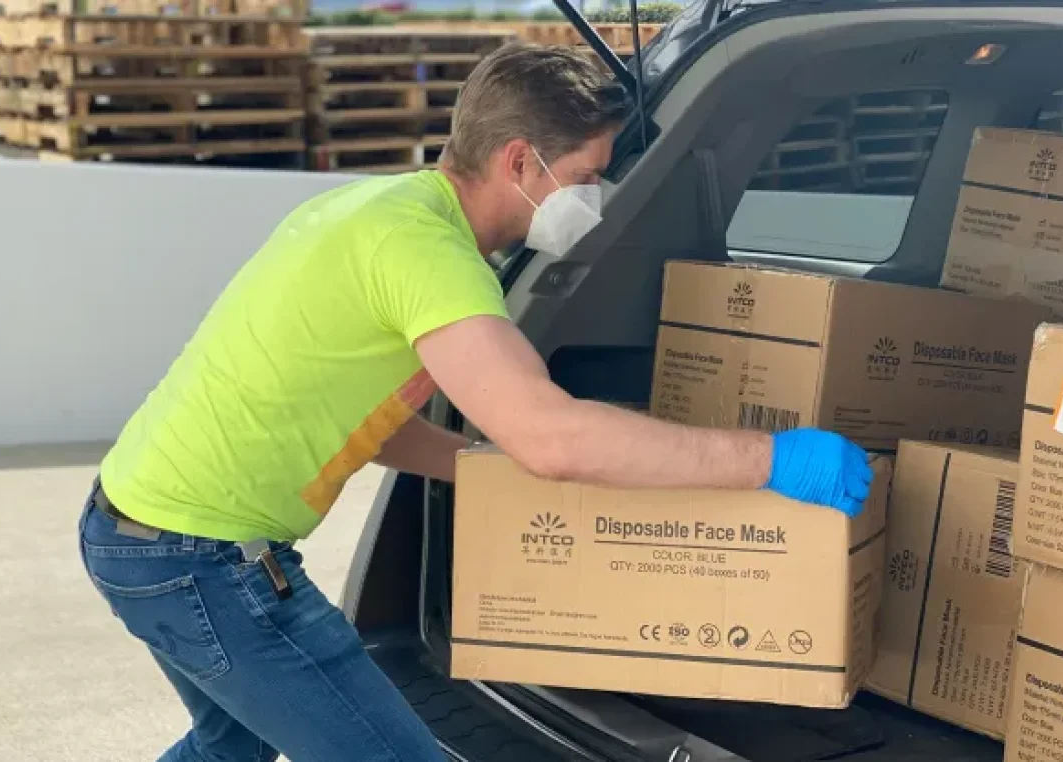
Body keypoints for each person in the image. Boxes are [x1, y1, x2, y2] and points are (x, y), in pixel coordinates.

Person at [77, 41, 874, 762]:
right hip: (203, 559)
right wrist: (772, 457)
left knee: (228, 755)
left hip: (139, 530)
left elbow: (372, 426)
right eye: (589, 176)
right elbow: (553, 435)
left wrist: (493, 473)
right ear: (521, 162)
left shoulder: (379, 212)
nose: (594, 199)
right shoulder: (427, 253)